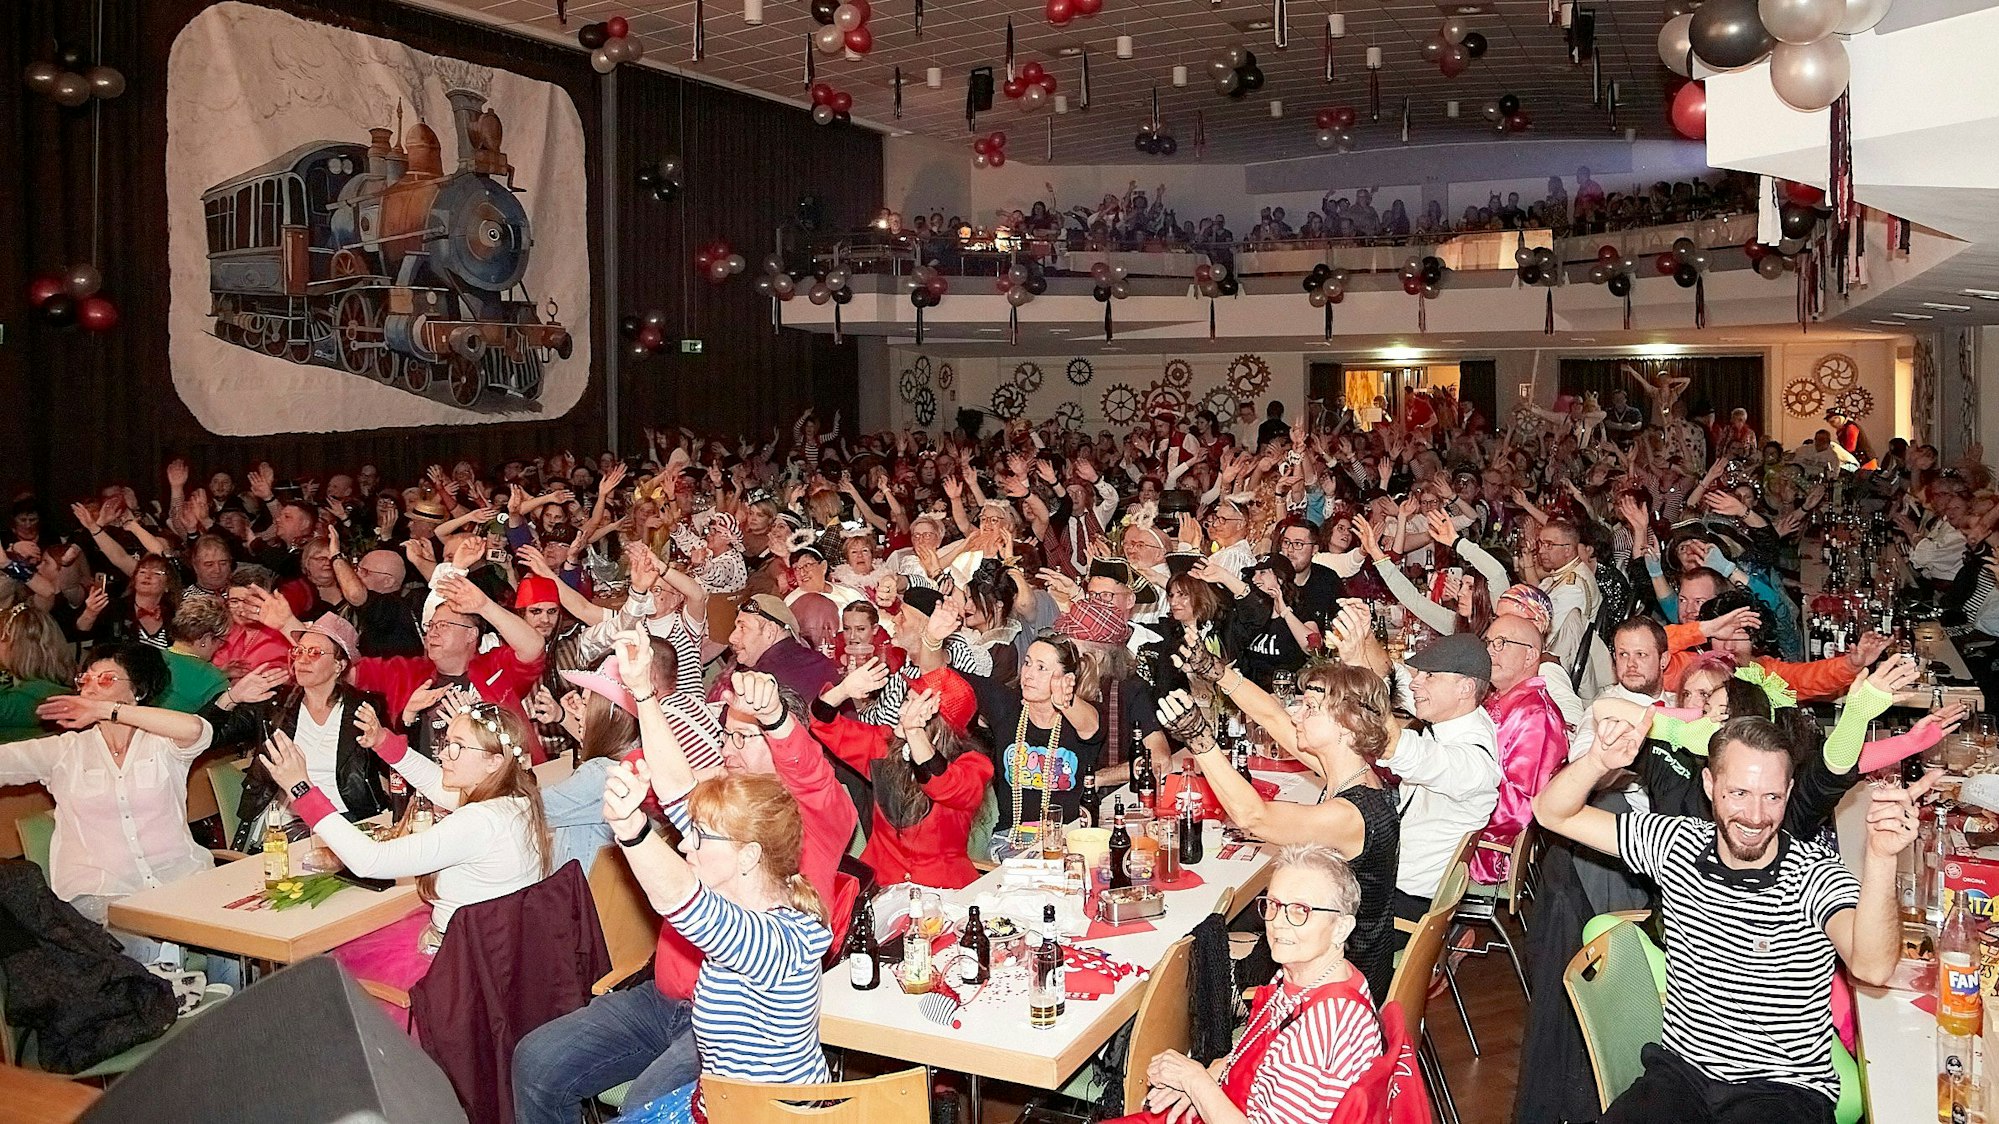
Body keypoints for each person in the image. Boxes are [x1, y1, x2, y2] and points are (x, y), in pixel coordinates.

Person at [1532, 712, 1923, 1123]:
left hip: (1782, 1090)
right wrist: (1598, 761)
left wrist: (1881, 858)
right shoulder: (1674, 844)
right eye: (1739, 793)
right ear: (1709, 785)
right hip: (1682, 1078)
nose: (1755, 815)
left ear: (1788, 792)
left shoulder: (1814, 875)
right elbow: (1551, 812)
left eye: (1772, 796)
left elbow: (1873, 967)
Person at [260, 699, 552, 1013]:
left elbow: (369, 860)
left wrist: (301, 789)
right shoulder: (518, 800)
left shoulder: (476, 823)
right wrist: (383, 742)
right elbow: (435, 782)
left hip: (458, 971)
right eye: (446, 743)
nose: (443, 754)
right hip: (497, 960)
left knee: (332, 967)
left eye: (457, 747)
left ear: (494, 762)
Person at [1162, 654, 1400, 1004]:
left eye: (1311, 708)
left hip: (1333, 985)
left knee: (1184, 969)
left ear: (1347, 725)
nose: (1297, 714)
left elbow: (1252, 817)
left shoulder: (1350, 815)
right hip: (1332, 950)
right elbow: (1272, 715)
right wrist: (1218, 672)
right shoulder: (1352, 771)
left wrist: (1200, 740)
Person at [1127, 845, 1383, 1124]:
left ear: (1341, 928)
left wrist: (1196, 1081)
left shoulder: (1321, 1027)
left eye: (1301, 910)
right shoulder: (1314, 974)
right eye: (1274, 905)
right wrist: (1210, 1077)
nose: (1278, 923)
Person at [0, 644, 215, 955]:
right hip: (99, 896)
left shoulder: (163, 744)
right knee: (145, 942)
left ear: (138, 691)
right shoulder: (64, 751)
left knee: (232, 932)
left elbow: (196, 729)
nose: (89, 686)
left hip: (180, 882)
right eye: (86, 679)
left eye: (106, 679)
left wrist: (105, 710)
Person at [212, 614, 389, 850]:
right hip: (286, 826)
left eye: (314, 653)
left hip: (348, 822)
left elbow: (388, 768)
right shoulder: (272, 705)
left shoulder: (365, 708)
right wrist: (231, 696)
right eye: (298, 652)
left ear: (339, 665)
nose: (302, 660)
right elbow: (209, 736)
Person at [810, 662, 992, 888]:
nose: (902, 711)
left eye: (915, 705)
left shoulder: (973, 765)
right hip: (880, 886)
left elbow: (942, 784)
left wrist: (914, 733)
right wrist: (843, 690)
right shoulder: (882, 746)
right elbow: (823, 724)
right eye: (907, 700)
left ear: (941, 725)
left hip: (943, 892)